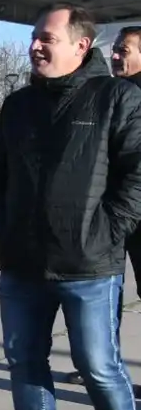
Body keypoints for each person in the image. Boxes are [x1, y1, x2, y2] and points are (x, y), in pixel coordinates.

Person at [0, 3, 141, 410]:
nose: (35, 45)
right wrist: (1, 229)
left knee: (98, 364)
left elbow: (135, 177)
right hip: (22, 264)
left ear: (80, 45)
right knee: (24, 359)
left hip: (89, 265)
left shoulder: (118, 98)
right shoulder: (18, 105)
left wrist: (105, 232)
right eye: (34, 36)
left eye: (46, 38)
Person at [64, 24, 141, 389]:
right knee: (105, 294)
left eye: (124, 50)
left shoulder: (130, 97)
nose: (115, 55)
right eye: (115, 49)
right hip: (105, 215)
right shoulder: (107, 93)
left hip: (133, 213)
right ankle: (100, 365)